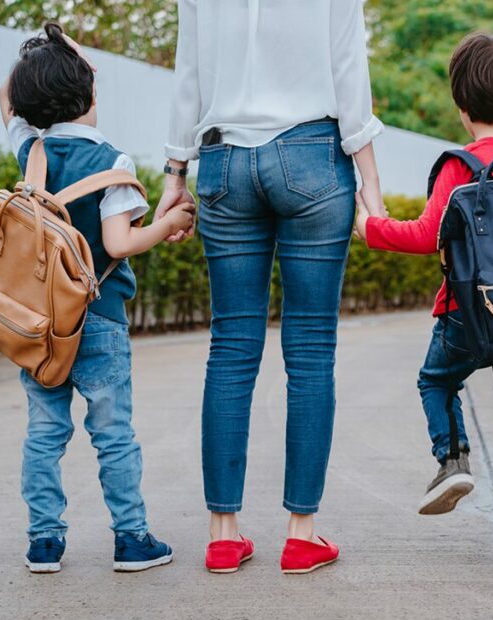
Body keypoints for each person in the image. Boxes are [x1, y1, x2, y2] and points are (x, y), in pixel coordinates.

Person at [157, 1, 385, 574]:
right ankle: (302, 534)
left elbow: (189, 72)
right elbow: (348, 67)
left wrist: (174, 173)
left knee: (231, 348)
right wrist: (371, 185)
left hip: (224, 160)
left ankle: (222, 535)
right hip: (311, 154)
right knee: (310, 351)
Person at [355, 32, 493, 575]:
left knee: (436, 380)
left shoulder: (458, 167)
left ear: (463, 109)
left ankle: (452, 459)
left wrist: (370, 226)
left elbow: (425, 234)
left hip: (466, 313)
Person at [0, 23, 194, 573]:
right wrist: (170, 220)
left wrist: (51, 62)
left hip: (40, 326)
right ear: (89, 93)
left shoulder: (30, 152)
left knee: (44, 432)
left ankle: (44, 542)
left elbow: (7, 98)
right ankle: (131, 540)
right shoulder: (113, 162)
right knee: (113, 433)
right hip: (100, 320)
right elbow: (118, 242)